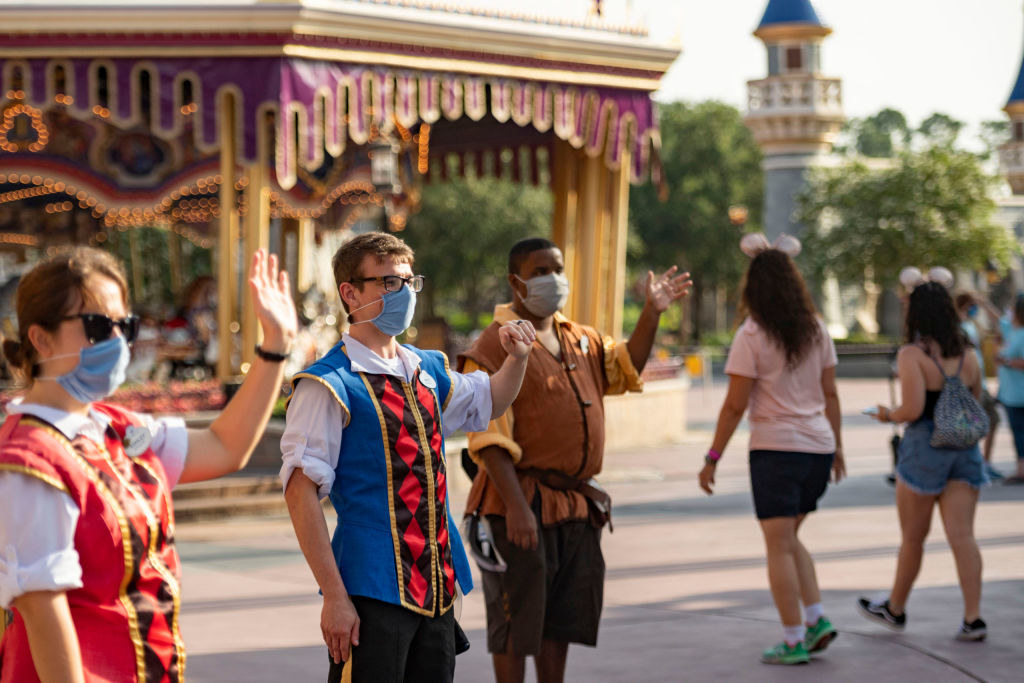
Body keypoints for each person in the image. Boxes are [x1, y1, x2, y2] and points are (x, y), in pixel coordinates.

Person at [0, 246, 298, 681]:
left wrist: (276, 347)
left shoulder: (116, 428)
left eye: (126, 326)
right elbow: (43, 608)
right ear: (41, 339)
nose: (118, 342)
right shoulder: (27, 458)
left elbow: (224, 446)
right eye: (99, 326)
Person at [280, 231, 535, 683]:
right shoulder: (328, 384)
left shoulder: (428, 369)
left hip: (436, 585)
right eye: (388, 283)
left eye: (408, 282)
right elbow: (301, 495)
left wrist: (516, 360)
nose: (403, 293)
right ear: (350, 292)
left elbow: (489, 401)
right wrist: (334, 598)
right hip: (371, 588)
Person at [458, 236, 691, 683]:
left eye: (557, 269)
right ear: (516, 281)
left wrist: (652, 312)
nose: (552, 279)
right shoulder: (493, 345)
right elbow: (489, 438)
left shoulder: (580, 338)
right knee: (515, 624)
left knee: (559, 621)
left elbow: (626, 367)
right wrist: (518, 510)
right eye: (540, 271)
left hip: (574, 506)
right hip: (516, 508)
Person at [698, 233, 844, 666]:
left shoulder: (753, 333)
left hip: (776, 450)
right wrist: (838, 449)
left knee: (778, 545)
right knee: (789, 538)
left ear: (752, 286)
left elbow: (735, 404)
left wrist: (712, 458)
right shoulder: (816, 328)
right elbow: (831, 393)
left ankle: (793, 639)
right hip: (817, 448)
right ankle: (816, 619)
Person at [861, 276, 989, 641]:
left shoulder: (912, 355)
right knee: (963, 537)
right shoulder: (969, 353)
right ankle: (973, 617)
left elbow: (912, 409)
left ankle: (895, 608)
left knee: (913, 538)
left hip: (923, 452)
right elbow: (976, 402)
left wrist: (886, 413)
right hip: (964, 451)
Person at [954, 292, 1002, 479]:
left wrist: (985, 303)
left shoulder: (971, 324)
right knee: (973, 425)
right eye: (972, 305)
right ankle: (972, 463)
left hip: (980, 383)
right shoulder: (956, 326)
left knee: (992, 421)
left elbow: (1000, 324)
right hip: (967, 385)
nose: (975, 308)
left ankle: (984, 462)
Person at [995, 294, 1024, 484]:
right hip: (1011, 393)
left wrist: (1005, 361)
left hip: (1019, 394)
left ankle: (1022, 471)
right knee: (1018, 432)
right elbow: (997, 320)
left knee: (1021, 433)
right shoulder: (1013, 330)